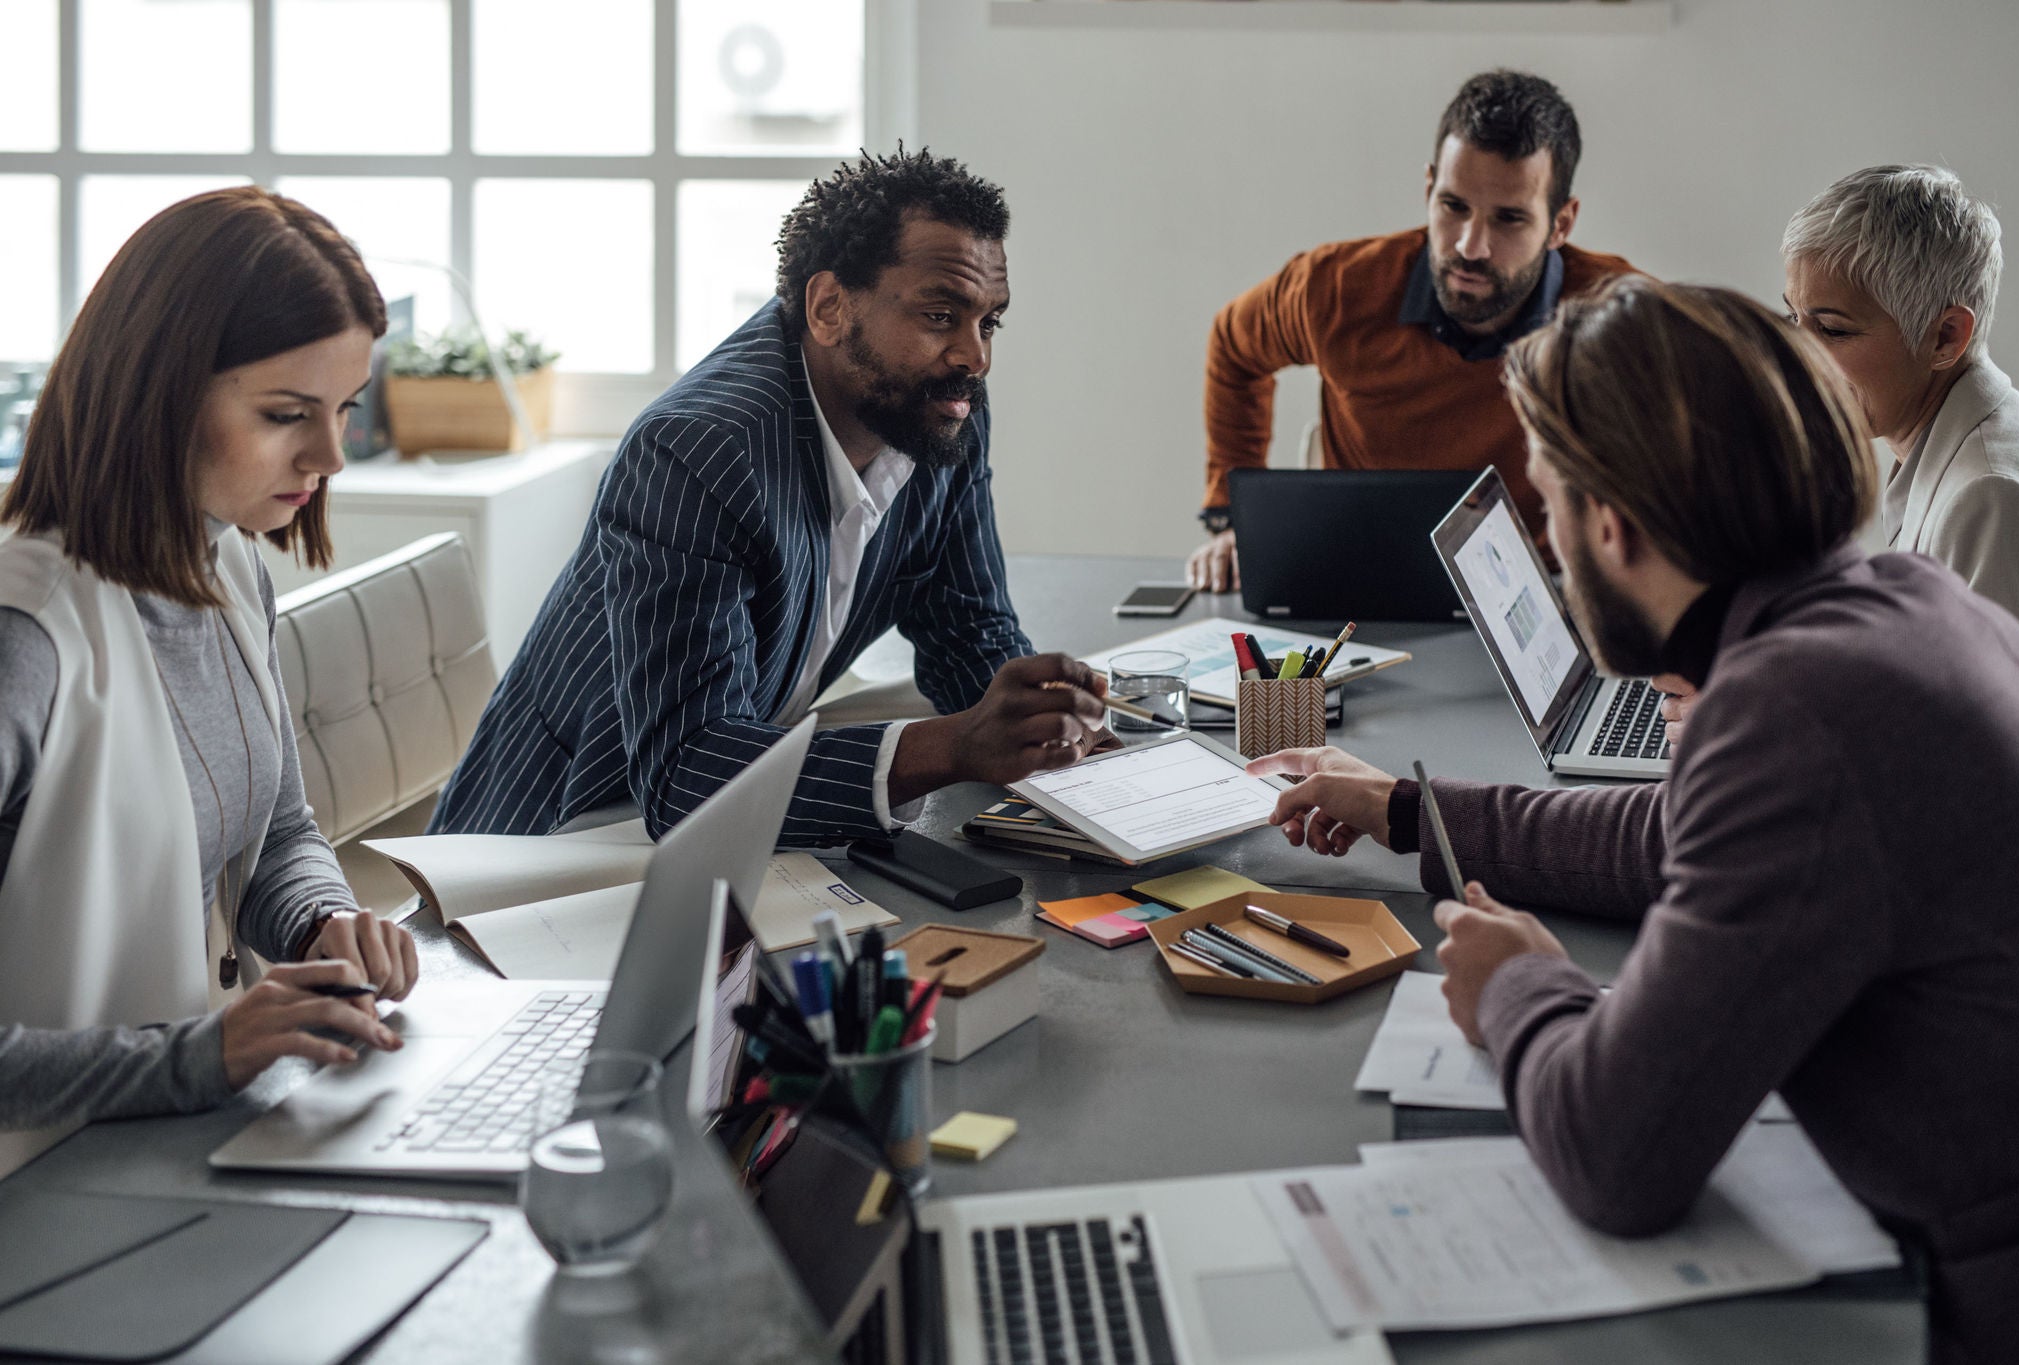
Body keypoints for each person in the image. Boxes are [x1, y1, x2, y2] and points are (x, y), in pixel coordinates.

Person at [1248, 278, 2019, 1362]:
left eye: (1548, 512)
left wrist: (1516, 984)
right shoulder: (1897, 605)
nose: (1550, 553)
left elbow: (1614, 1157)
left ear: (1613, 526)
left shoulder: (1795, 711)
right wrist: (1405, 811)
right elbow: (1669, 835)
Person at [431, 148, 1105, 846]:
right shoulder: (697, 450)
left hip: (732, 793)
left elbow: (967, 629)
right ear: (829, 307)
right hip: (562, 839)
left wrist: (1044, 730)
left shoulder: (939, 407)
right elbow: (686, 777)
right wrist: (955, 745)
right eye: (941, 315)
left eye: (989, 321)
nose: (975, 356)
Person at [0, 188, 421, 1177]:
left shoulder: (229, 565)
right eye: (286, 415)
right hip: (38, 1184)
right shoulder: (24, 641)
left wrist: (326, 921)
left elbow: (277, 835)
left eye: (344, 412)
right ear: (160, 389)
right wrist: (198, 1058)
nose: (329, 457)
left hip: (152, 1150)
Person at [1186, 69, 1637, 591]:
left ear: (1560, 224)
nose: (1470, 246)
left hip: (1542, 592)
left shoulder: (1617, 314)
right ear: (1428, 189)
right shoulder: (1334, 289)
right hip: (1358, 585)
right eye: (1453, 207)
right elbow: (1233, 345)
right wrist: (1229, 517)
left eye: (1508, 218)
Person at [1657, 164, 2019, 744]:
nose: (1798, 355)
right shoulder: (1944, 443)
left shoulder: (1989, 495)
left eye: (1833, 331)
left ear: (1945, 338)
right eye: (1795, 318)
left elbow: (1994, 761)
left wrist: (1761, 732)